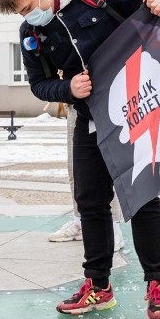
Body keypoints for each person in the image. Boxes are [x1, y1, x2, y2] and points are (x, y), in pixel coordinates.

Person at [0, 0, 160, 319]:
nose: (29, 17)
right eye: (21, 14)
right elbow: (38, 83)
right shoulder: (31, 33)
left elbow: (150, 7)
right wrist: (67, 88)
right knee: (90, 202)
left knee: (142, 195)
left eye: (29, 7)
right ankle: (98, 286)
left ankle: (157, 286)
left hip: (131, 109)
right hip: (88, 117)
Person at [47, 103, 124, 253]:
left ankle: (113, 226)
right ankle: (80, 222)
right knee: (77, 169)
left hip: (103, 99)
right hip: (75, 103)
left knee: (106, 169)